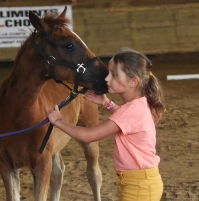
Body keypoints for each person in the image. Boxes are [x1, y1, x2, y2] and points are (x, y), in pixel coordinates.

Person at [47, 47, 165, 201]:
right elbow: (125, 117)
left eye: (114, 75)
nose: (107, 79)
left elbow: (88, 135)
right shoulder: (139, 105)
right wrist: (105, 103)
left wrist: (58, 121)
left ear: (133, 82)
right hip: (141, 182)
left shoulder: (131, 110)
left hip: (138, 187)